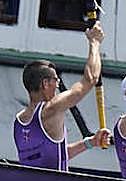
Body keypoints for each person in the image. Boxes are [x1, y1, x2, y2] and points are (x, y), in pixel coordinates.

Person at [14, 23, 110, 169]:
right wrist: (95, 42)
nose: (58, 85)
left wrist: (91, 142)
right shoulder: (51, 108)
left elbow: (55, 155)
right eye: (56, 80)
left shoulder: (19, 122)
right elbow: (90, 79)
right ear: (45, 84)